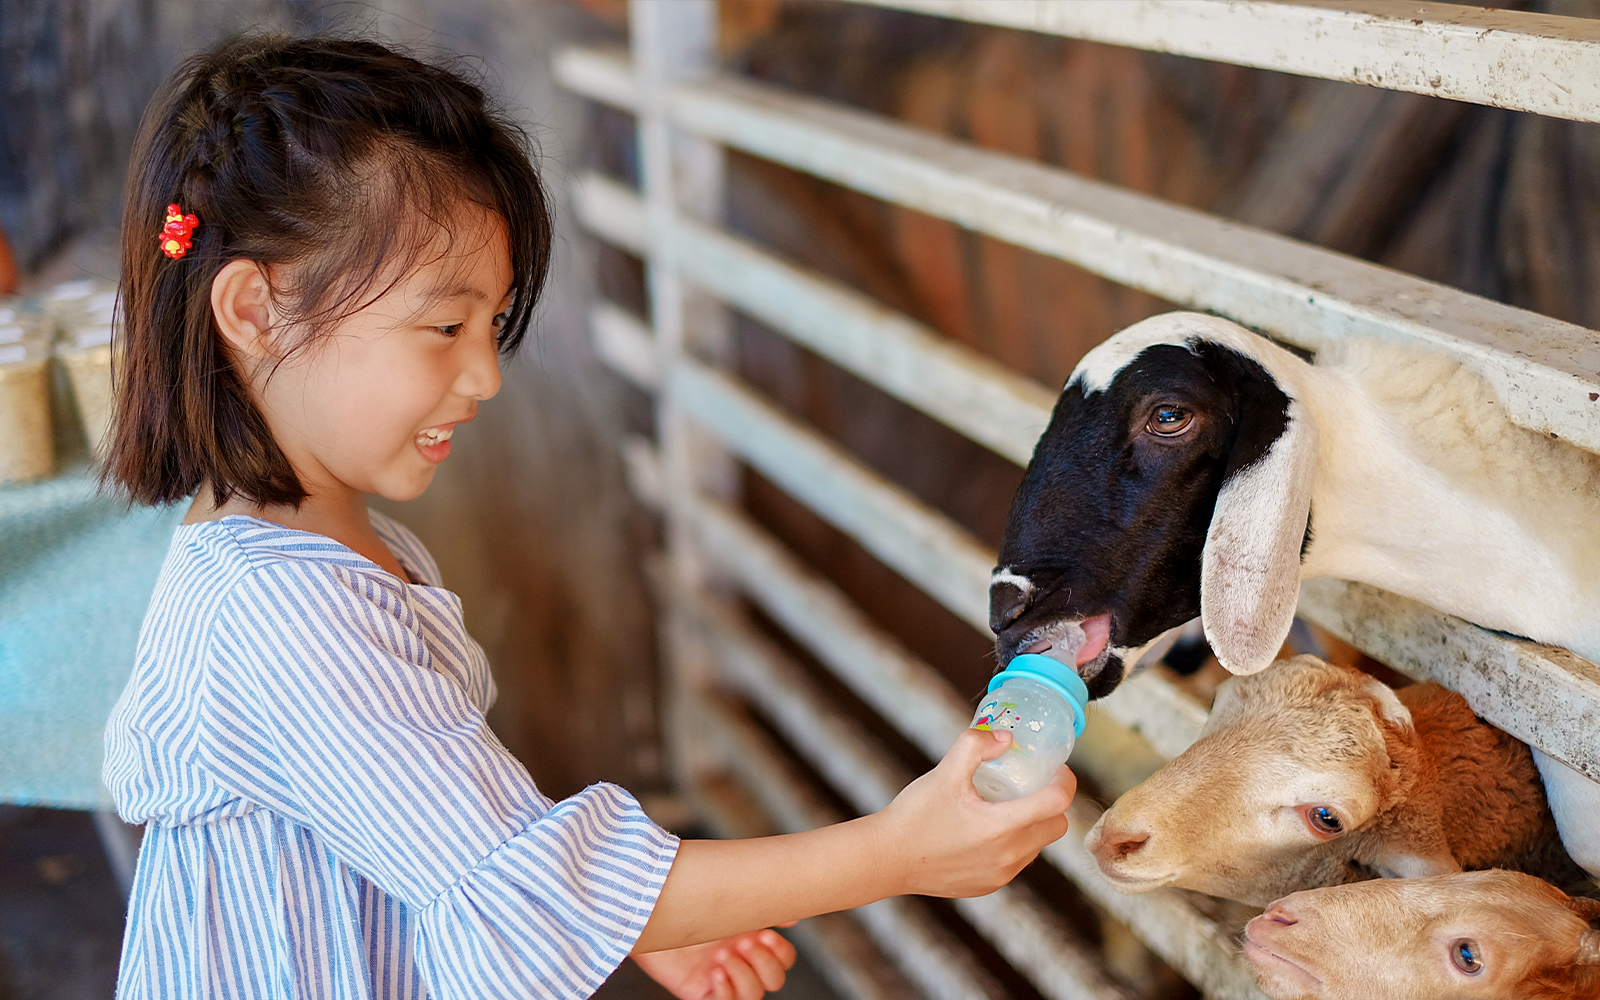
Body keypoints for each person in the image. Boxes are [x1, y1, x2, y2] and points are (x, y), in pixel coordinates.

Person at [101, 34, 1078, 1000]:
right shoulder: (284, 613)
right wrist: (894, 852)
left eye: (492, 326)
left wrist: (631, 913)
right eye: (444, 326)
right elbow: (516, 886)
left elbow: (436, 813)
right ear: (257, 309)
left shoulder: (319, 544)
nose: (483, 375)